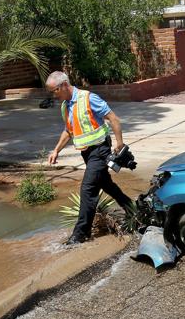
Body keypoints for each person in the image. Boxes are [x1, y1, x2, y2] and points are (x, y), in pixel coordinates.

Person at [45, 71, 133, 245]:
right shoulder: (65, 106)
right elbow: (69, 130)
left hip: (100, 150)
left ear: (64, 85)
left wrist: (120, 144)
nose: (53, 95)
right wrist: (56, 150)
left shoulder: (88, 98)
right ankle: (133, 209)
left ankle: (80, 234)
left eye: (54, 90)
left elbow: (113, 118)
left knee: (88, 189)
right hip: (87, 153)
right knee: (105, 183)